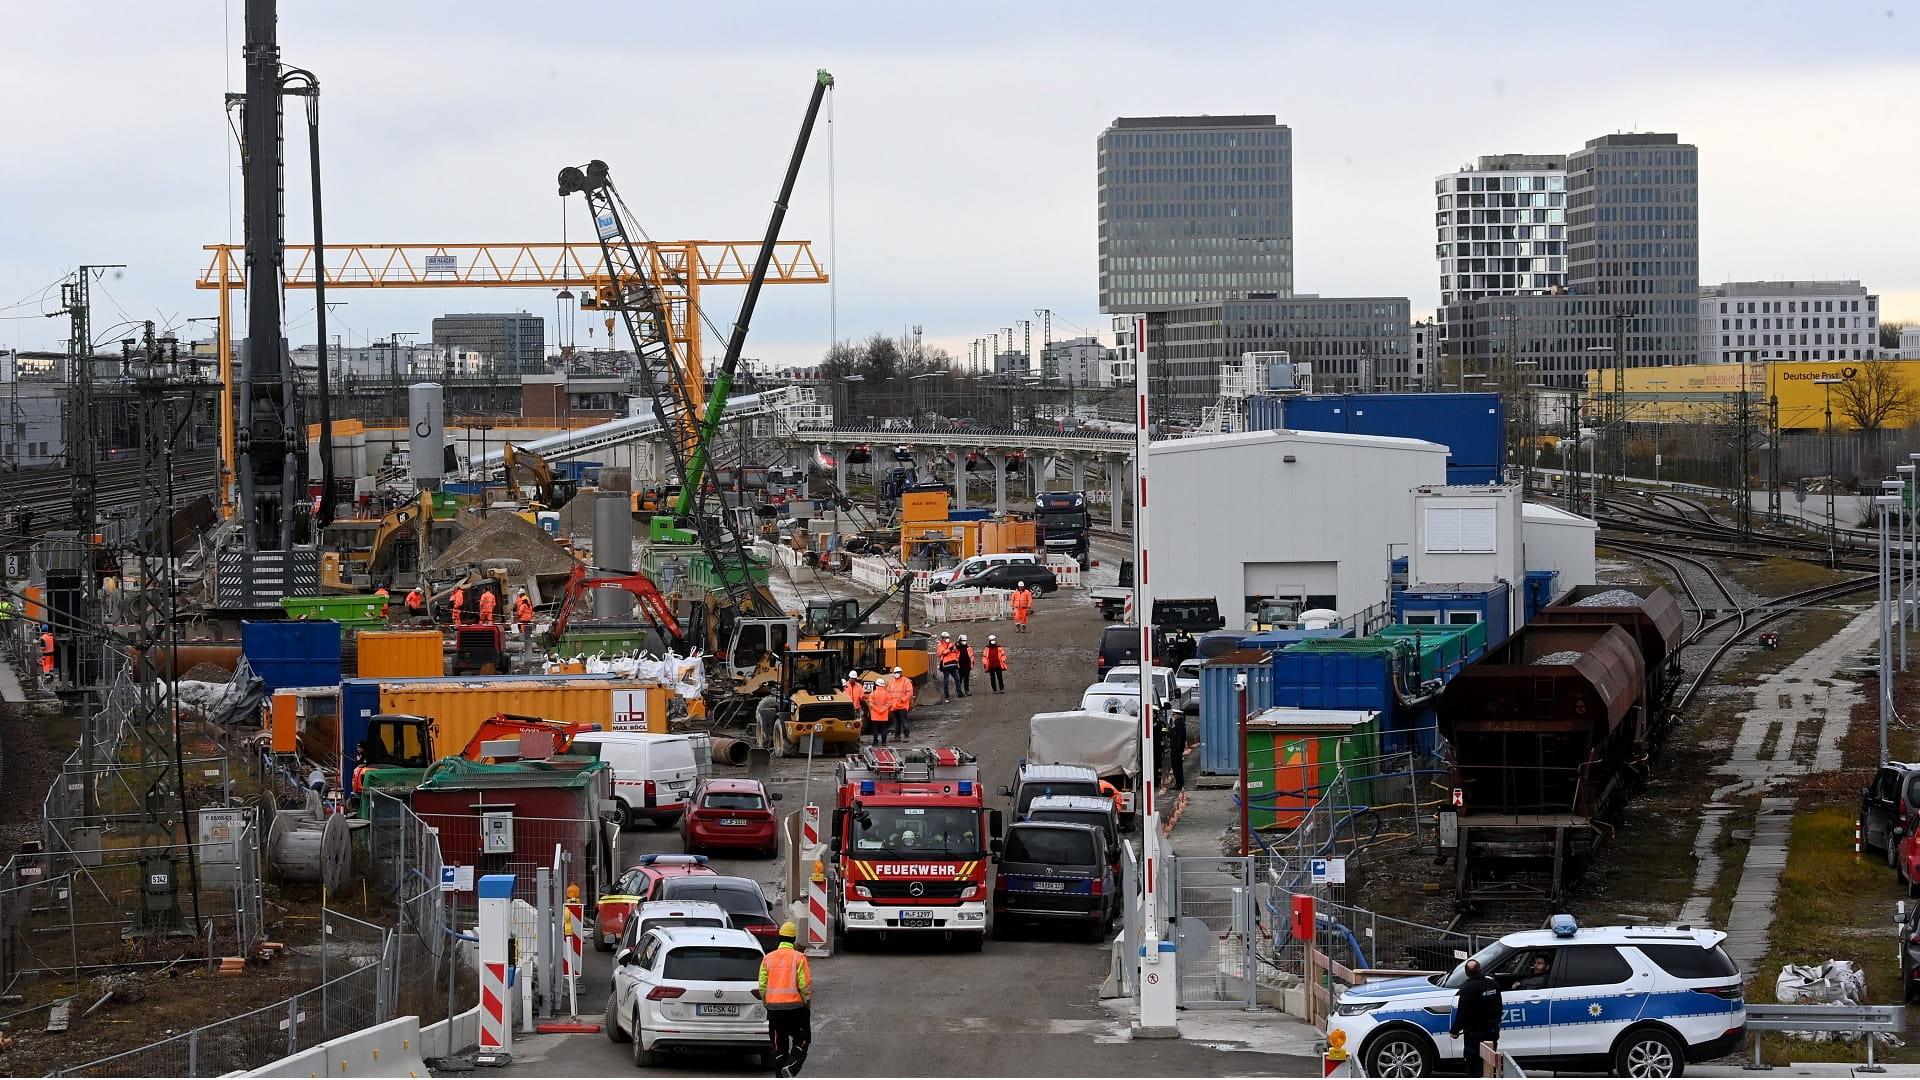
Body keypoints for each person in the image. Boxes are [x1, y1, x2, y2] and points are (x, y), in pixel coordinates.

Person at [757, 921, 812, 1077]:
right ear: (794, 939)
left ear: (779, 937)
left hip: (774, 1010)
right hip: (796, 1009)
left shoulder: (768, 958)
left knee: (779, 1047)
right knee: (802, 1040)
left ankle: (781, 1075)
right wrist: (806, 1004)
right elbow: (804, 985)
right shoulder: (799, 958)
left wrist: (766, 1003)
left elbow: (762, 986)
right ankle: (791, 1067)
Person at [1450, 958, 1504, 1078]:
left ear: (1466, 973)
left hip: (1475, 1034)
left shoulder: (1468, 988)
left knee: (1474, 1066)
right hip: (1492, 1031)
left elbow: (1462, 1012)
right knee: (1489, 1063)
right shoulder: (1493, 984)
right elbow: (1499, 1006)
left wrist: (1454, 1030)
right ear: (1480, 969)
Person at [1157, 705, 1188, 790]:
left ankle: (1179, 784)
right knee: (1176, 767)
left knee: (1177, 767)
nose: (1173, 716)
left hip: (1176, 749)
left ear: (1179, 715)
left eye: (1175, 714)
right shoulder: (1178, 723)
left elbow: (1174, 734)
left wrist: (1166, 731)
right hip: (1176, 748)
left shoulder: (1179, 724)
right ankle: (1179, 783)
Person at [888, 667, 914, 738]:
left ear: (901, 673)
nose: (897, 674)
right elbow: (888, 693)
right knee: (897, 722)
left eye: (898, 672)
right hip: (894, 706)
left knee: (904, 720)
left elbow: (910, 693)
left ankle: (906, 734)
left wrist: (903, 699)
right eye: (896, 672)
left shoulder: (906, 681)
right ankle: (897, 735)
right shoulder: (892, 682)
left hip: (902, 706)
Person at [868, 676, 894, 745]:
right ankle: (884, 742)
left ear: (877, 685)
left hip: (875, 716)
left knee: (875, 729)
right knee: (884, 729)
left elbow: (871, 704)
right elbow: (889, 703)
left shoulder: (873, 693)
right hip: (884, 716)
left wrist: (877, 710)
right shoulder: (886, 694)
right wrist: (882, 709)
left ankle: (875, 742)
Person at [937, 632, 960, 702]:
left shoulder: (951, 644)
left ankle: (959, 692)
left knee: (957, 679)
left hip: (953, 664)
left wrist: (957, 646)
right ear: (942, 638)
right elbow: (943, 652)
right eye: (945, 637)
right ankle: (946, 695)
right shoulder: (940, 645)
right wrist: (950, 649)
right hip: (946, 665)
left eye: (948, 637)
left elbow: (956, 651)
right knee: (946, 681)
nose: (947, 639)